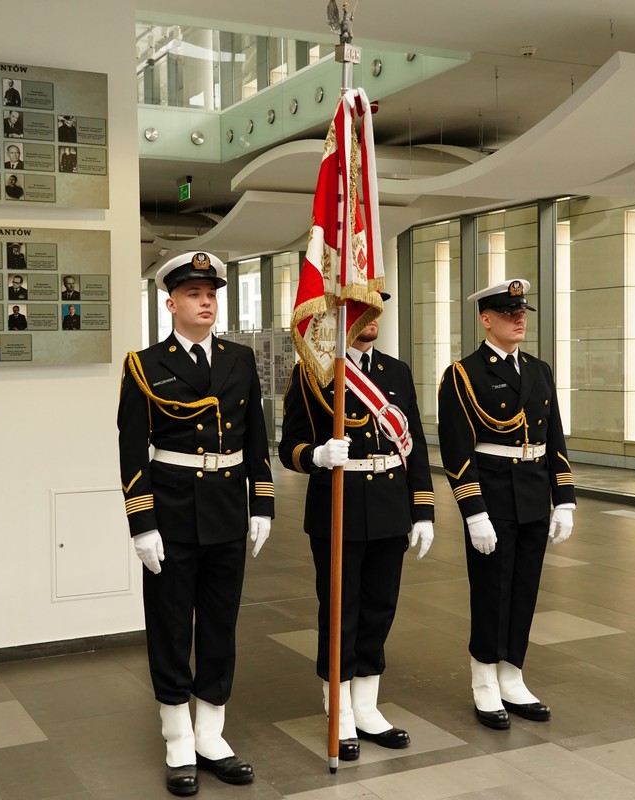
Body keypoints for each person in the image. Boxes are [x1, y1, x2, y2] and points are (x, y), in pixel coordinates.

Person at [117, 251, 273, 796]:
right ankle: (177, 735)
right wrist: (142, 523)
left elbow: (257, 436)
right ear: (171, 304)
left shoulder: (240, 359)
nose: (206, 302)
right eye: (193, 294)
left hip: (227, 509)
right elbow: (132, 449)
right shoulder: (145, 365)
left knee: (219, 624)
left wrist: (262, 504)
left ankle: (210, 732)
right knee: (170, 625)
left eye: (211, 294)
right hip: (173, 512)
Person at [278, 301, 435, 760]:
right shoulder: (313, 372)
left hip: (389, 505)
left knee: (380, 608)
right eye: (362, 311)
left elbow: (415, 445)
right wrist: (316, 455)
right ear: (340, 317)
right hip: (338, 506)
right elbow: (289, 445)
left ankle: (366, 705)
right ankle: (340, 707)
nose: (373, 320)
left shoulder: (396, 371)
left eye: (376, 311)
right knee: (340, 610)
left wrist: (423, 510)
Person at [436, 279, 576, 731]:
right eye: (508, 313)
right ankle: (484, 681)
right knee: (491, 592)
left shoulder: (539, 370)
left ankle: (512, 675)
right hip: (493, 498)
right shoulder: (464, 374)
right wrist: (473, 512)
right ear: (486, 319)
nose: (519, 319)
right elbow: (457, 450)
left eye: (521, 312)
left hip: (534, 494)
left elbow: (554, 436)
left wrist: (564, 499)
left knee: (524, 590)